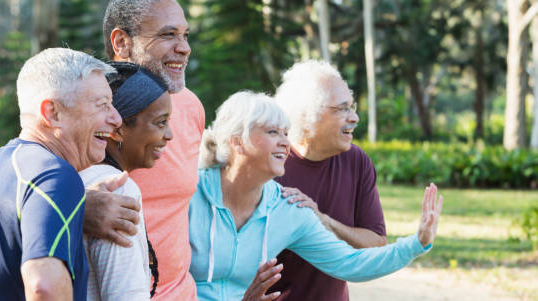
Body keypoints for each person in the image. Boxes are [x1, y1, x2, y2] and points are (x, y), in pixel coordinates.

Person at [188, 91, 443, 301]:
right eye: (273, 132)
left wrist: (416, 243)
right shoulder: (189, 193)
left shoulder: (287, 208)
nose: (285, 143)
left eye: (286, 133)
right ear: (237, 141)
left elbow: (351, 262)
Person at [0, 48, 122, 300]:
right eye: (102, 105)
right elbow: (44, 287)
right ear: (52, 113)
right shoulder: (56, 175)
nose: (116, 118)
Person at [100, 0, 205, 299]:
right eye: (168, 35)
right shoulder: (88, 108)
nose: (184, 47)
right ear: (122, 42)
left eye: (185, 35)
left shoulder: (190, 106)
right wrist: (82, 209)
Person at [268, 60, 388, 301]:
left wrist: (325, 222)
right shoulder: (268, 163)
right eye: (342, 109)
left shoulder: (356, 161)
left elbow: (376, 246)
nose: (354, 117)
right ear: (306, 116)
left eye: (352, 107)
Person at [80, 62, 172, 301]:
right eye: (161, 123)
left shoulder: (71, 182)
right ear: (117, 129)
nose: (169, 135)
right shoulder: (116, 191)